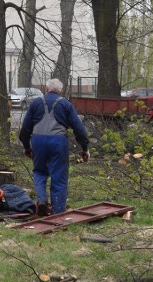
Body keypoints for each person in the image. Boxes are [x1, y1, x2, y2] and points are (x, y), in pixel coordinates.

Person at [19, 78, 89, 216]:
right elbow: (79, 128)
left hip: (38, 142)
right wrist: (85, 148)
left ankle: (42, 200)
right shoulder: (66, 104)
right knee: (59, 176)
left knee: (39, 172)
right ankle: (58, 213)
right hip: (58, 142)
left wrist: (27, 147)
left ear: (46, 89)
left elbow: (25, 129)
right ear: (61, 91)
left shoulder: (36, 103)